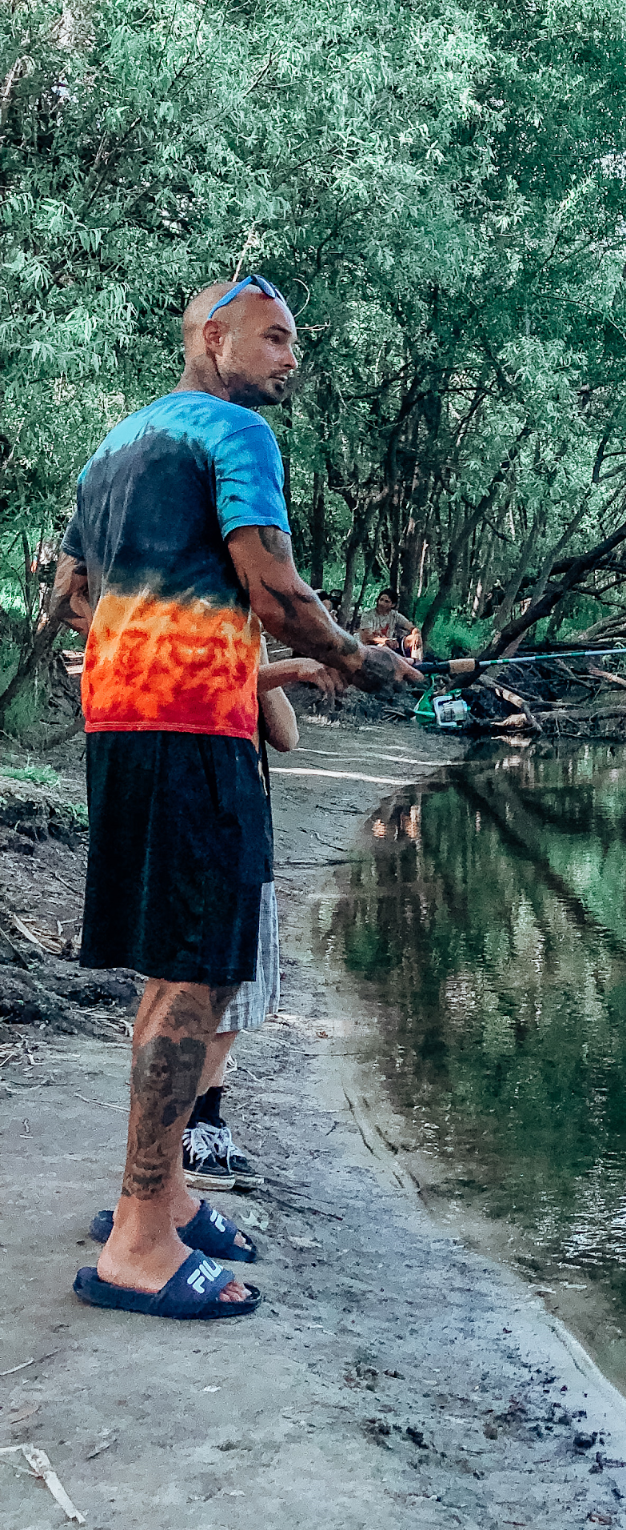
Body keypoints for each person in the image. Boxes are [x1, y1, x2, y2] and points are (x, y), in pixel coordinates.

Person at [53, 273, 420, 1320]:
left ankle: (160, 1194)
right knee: (193, 975)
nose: (289, 356)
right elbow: (273, 587)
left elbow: (79, 599)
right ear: (213, 334)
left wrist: (216, 658)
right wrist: (357, 657)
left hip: (123, 727)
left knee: (180, 967)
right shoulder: (234, 435)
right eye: (273, 336)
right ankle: (136, 1242)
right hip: (191, 739)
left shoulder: (113, 447)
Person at [179, 641, 338, 1194]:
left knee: (242, 993)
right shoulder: (193, 629)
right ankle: (186, 1130)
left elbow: (287, 738)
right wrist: (295, 668)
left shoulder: (245, 640)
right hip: (210, 824)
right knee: (214, 990)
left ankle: (209, 1122)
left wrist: (265, 658)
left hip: (248, 825)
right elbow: (203, 688)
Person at [359, 586, 416, 651]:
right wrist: (385, 640)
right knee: (384, 646)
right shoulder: (368, 615)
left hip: (389, 646)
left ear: (393, 605)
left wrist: (416, 634)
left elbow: (411, 627)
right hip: (368, 648)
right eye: (381, 600)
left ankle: (417, 660)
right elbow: (367, 637)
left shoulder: (394, 615)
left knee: (414, 640)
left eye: (386, 601)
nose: (382, 603)